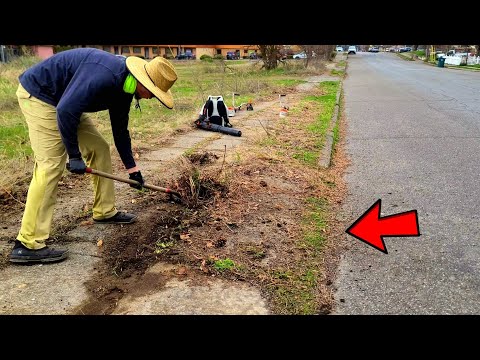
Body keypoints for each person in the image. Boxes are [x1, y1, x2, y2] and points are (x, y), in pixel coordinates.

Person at [9, 47, 178, 264]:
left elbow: (120, 130)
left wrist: (133, 169)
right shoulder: (105, 76)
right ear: (143, 81)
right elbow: (65, 111)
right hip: (42, 96)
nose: (151, 98)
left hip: (66, 101)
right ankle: (27, 243)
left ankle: (104, 211)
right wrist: (74, 156)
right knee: (50, 165)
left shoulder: (126, 87)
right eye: (153, 93)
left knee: (99, 148)